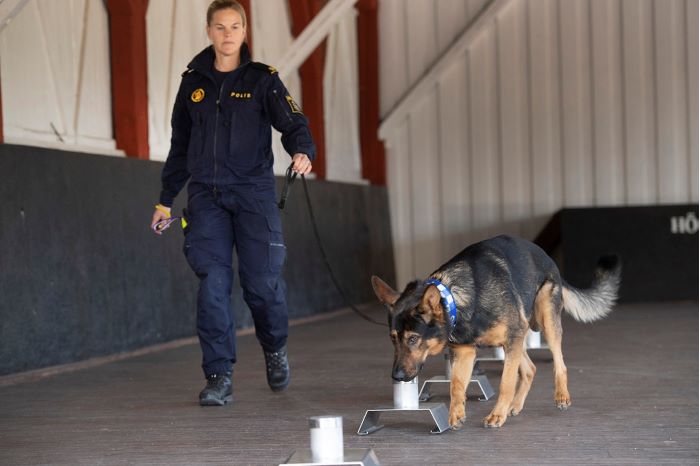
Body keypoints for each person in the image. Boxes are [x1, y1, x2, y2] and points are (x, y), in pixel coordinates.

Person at [150, 0, 315, 406]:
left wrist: (302, 150)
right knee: (214, 284)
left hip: (254, 194)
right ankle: (218, 376)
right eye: (220, 27)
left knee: (261, 285)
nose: (227, 34)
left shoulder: (263, 80)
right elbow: (180, 147)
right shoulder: (192, 83)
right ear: (209, 31)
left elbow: (293, 122)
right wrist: (165, 201)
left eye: (235, 26)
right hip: (206, 196)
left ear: (245, 32)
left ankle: (274, 348)